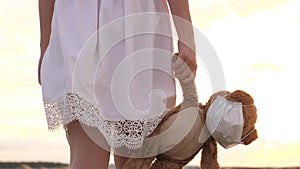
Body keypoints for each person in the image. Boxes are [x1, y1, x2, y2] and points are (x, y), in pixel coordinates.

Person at [38, 0, 197, 169]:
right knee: (123, 160)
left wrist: (45, 46)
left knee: (127, 159)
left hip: (87, 22)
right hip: (121, 20)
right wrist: (187, 38)